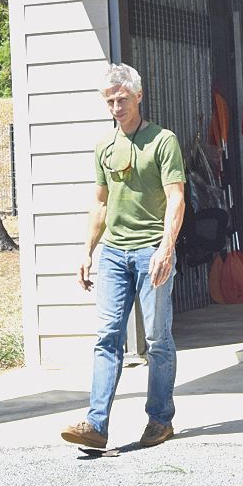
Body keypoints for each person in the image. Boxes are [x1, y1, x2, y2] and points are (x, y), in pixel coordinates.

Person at [60, 63, 185, 450]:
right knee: (107, 337)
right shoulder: (104, 146)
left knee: (157, 339)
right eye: (110, 101)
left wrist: (166, 248)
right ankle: (96, 426)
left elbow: (177, 198)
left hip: (151, 251)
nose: (117, 107)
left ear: (139, 96)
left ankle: (160, 420)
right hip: (114, 254)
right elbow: (100, 203)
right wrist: (87, 251)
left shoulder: (163, 141)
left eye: (123, 99)